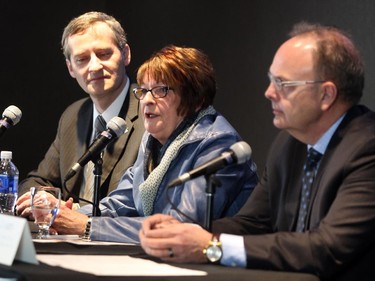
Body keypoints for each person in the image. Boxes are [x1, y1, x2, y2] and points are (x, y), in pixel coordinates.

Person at [139, 22, 375, 281]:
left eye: (283, 83)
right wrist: (184, 231)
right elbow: (252, 224)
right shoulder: (288, 144)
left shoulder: (367, 149)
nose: (269, 92)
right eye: (271, 80)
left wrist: (212, 247)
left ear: (326, 94)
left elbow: (327, 248)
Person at [19, 45, 258, 243]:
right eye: (143, 91)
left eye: (161, 90)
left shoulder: (217, 144)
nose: (147, 101)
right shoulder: (153, 139)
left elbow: (179, 227)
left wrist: (87, 225)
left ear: (195, 97)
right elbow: (120, 202)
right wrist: (64, 216)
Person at [16, 12, 144, 207]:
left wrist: (75, 212)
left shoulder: (150, 110)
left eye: (103, 54)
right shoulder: (73, 115)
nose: (94, 66)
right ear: (70, 68)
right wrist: (44, 201)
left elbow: (140, 201)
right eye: (82, 59)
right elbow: (38, 181)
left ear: (125, 54)